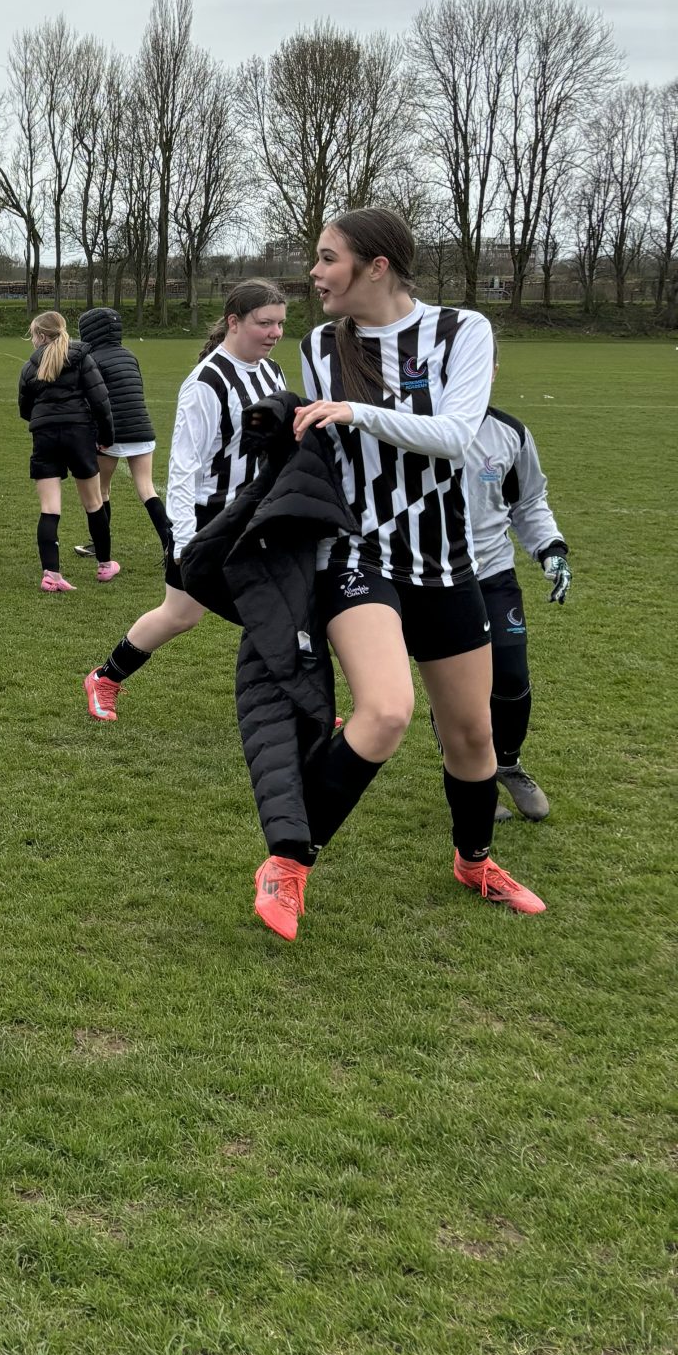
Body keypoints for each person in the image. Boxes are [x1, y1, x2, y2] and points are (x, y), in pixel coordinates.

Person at [259, 205, 546, 939]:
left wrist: (352, 412)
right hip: (357, 552)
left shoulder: (462, 331)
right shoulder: (320, 344)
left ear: (377, 266)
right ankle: (288, 864)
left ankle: (475, 861)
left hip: (446, 560)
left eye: (327, 258)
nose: (314, 272)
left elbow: (456, 436)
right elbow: (329, 449)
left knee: (473, 735)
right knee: (386, 711)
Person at [84, 280, 289, 720]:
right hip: (209, 521)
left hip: (256, 516)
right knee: (180, 615)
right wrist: (182, 539)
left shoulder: (272, 372)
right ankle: (104, 678)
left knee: (278, 608)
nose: (275, 333)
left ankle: (292, 702)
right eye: (265, 323)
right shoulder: (207, 383)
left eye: (280, 324)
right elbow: (183, 467)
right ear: (234, 322)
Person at [464, 389, 571, 822]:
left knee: (511, 674)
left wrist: (551, 549)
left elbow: (529, 500)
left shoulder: (509, 432)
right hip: (436, 578)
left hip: (494, 573)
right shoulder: (415, 428)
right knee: (459, 685)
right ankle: (473, 778)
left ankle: (507, 763)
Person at [18, 310, 115, 590]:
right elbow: (100, 402)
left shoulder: (30, 367)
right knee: (93, 503)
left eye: (33, 335)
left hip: (45, 436)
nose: (32, 340)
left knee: (49, 508)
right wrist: (106, 436)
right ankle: (105, 565)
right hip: (79, 434)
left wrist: (46, 419)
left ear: (41, 336)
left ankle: (51, 574)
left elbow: (25, 409)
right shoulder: (83, 359)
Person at [74, 305, 171, 566]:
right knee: (147, 489)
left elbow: (95, 401)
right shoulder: (130, 355)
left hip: (112, 434)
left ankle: (100, 544)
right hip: (142, 430)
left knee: (100, 491)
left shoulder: (92, 359)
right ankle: (170, 544)